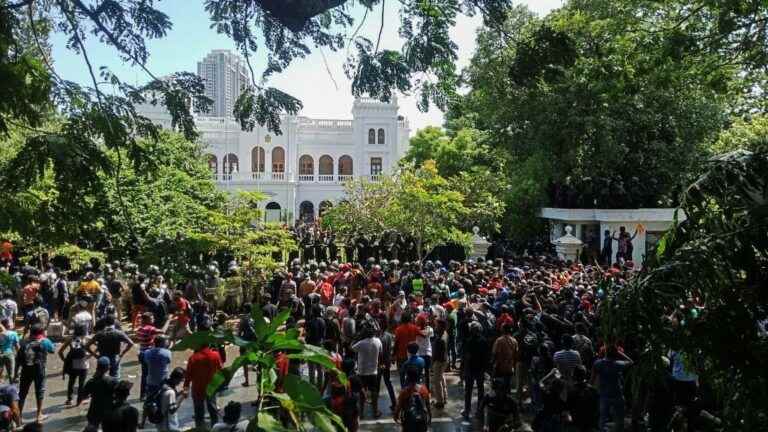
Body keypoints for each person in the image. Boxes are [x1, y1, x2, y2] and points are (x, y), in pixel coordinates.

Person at [16, 324, 54, 424]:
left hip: (26, 370)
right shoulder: (44, 341)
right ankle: (39, 415)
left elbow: (18, 359)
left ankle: (18, 417)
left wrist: (16, 373)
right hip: (39, 370)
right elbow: (52, 350)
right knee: (40, 391)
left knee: (22, 393)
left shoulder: (23, 341)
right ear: (41, 332)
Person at [592, 345, 633, 432]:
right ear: (615, 354)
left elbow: (592, 379)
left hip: (604, 395)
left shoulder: (597, 363)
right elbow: (631, 362)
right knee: (619, 419)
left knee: (602, 419)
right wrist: (620, 353)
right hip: (617, 394)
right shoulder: (618, 364)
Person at [184, 343, 223, 428]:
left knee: (198, 414)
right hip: (211, 387)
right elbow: (221, 370)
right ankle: (215, 428)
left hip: (197, 389)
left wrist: (185, 388)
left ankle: (200, 428)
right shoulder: (215, 355)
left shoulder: (193, 358)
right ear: (208, 344)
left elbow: (188, 375)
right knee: (213, 411)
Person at [351, 326, 382, 418]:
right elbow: (380, 353)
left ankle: (361, 413)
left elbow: (351, 348)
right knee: (374, 392)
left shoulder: (361, 343)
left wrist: (356, 338)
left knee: (362, 392)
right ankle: (375, 411)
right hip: (374, 371)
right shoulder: (378, 341)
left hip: (362, 371)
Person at [78, 357, 117, 429]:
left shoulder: (91, 381)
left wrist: (89, 397)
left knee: (92, 428)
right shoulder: (113, 381)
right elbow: (117, 395)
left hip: (94, 410)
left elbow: (83, 395)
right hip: (109, 410)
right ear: (108, 367)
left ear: (97, 367)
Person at [462, 321, 489, 419]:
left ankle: (467, 410)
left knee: (468, 391)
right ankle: (479, 410)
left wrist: (465, 370)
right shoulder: (484, 340)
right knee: (480, 390)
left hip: (471, 369)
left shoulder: (469, 341)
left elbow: (467, 357)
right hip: (480, 369)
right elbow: (487, 356)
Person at [58, 324, 89, 406]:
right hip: (83, 364)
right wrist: (91, 355)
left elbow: (60, 352)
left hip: (72, 364)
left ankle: (69, 399)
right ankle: (79, 401)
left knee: (71, 382)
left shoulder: (70, 339)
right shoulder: (85, 340)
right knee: (81, 383)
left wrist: (65, 360)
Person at [394, 366, 431, 432]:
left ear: (407, 377)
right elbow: (428, 405)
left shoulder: (404, 392)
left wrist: (396, 417)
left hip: (409, 423)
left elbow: (398, 408)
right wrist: (430, 417)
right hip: (422, 421)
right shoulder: (424, 389)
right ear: (417, 377)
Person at [136, 312, 162, 400]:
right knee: (153, 373)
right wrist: (168, 321)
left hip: (142, 353)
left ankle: (142, 394)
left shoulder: (140, 328)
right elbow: (163, 331)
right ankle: (153, 393)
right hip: (149, 354)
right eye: (151, 318)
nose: (153, 319)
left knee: (145, 375)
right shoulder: (149, 329)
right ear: (146, 320)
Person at [155, 367, 186, 431]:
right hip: (168, 425)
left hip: (160, 422)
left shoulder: (164, 384)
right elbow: (172, 410)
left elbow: (167, 399)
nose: (180, 382)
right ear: (176, 379)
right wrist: (182, 397)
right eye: (180, 380)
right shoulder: (170, 392)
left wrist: (180, 393)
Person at [491, 322, 518, 393]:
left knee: (498, 387)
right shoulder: (514, 341)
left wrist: (492, 364)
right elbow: (515, 354)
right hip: (509, 367)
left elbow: (494, 353)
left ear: (503, 330)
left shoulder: (499, 340)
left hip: (500, 367)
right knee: (507, 386)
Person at [236, 304, 257, 387]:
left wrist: (238, 339)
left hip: (245, 342)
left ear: (245, 309)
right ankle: (258, 380)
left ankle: (247, 381)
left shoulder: (244, 319)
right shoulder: (255, 318)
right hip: (254, 342)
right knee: (257, 360)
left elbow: (239, 332)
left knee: (244, 362)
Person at [430, 319, 448, 409]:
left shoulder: (440, 339)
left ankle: (440, 401)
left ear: (441, 327)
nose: (435, 327)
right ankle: (444, 397)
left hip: (439, 361)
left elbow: (436, 353)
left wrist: (432, 362)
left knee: (437, 381)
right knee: (441, 378)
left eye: (437, 325)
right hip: (444, 360)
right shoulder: (444, 333)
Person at [0, 318, 19, 383]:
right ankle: (12, 389)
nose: (12, 323)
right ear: (7, 325)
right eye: (11, 322)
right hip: (9, 354)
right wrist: (20, 355)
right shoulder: (13, 334)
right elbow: (17, 346)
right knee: (11, 373)